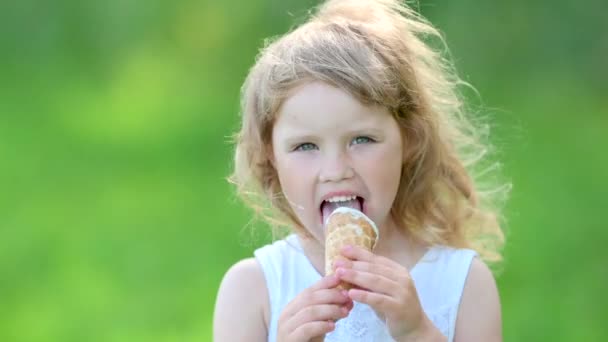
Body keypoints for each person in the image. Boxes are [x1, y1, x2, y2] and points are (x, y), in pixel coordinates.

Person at [214, 0, 508, 341]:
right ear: (271, 157)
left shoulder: (465, 283)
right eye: (306, 146)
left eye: (362, 139)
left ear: (409, 139)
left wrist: (417, 332)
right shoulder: (252, 290)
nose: (335, 170)